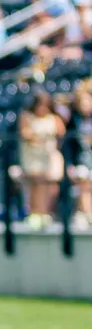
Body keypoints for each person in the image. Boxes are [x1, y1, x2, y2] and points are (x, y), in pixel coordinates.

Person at [19, 91, 65, 230]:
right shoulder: (27, 116)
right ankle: (34, 213)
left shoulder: (54, 118)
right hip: (33, 157)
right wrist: (39, 139)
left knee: (49, 185)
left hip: (48, 157)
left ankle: (46, 213)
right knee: (35, 184)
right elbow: (25, 134)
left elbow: (61, 132)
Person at [65, 86, 92, 228]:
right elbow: (69, 145)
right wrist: (69, 164)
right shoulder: (74, 120)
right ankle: (87, 214)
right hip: (81, 160)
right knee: (83, 179)